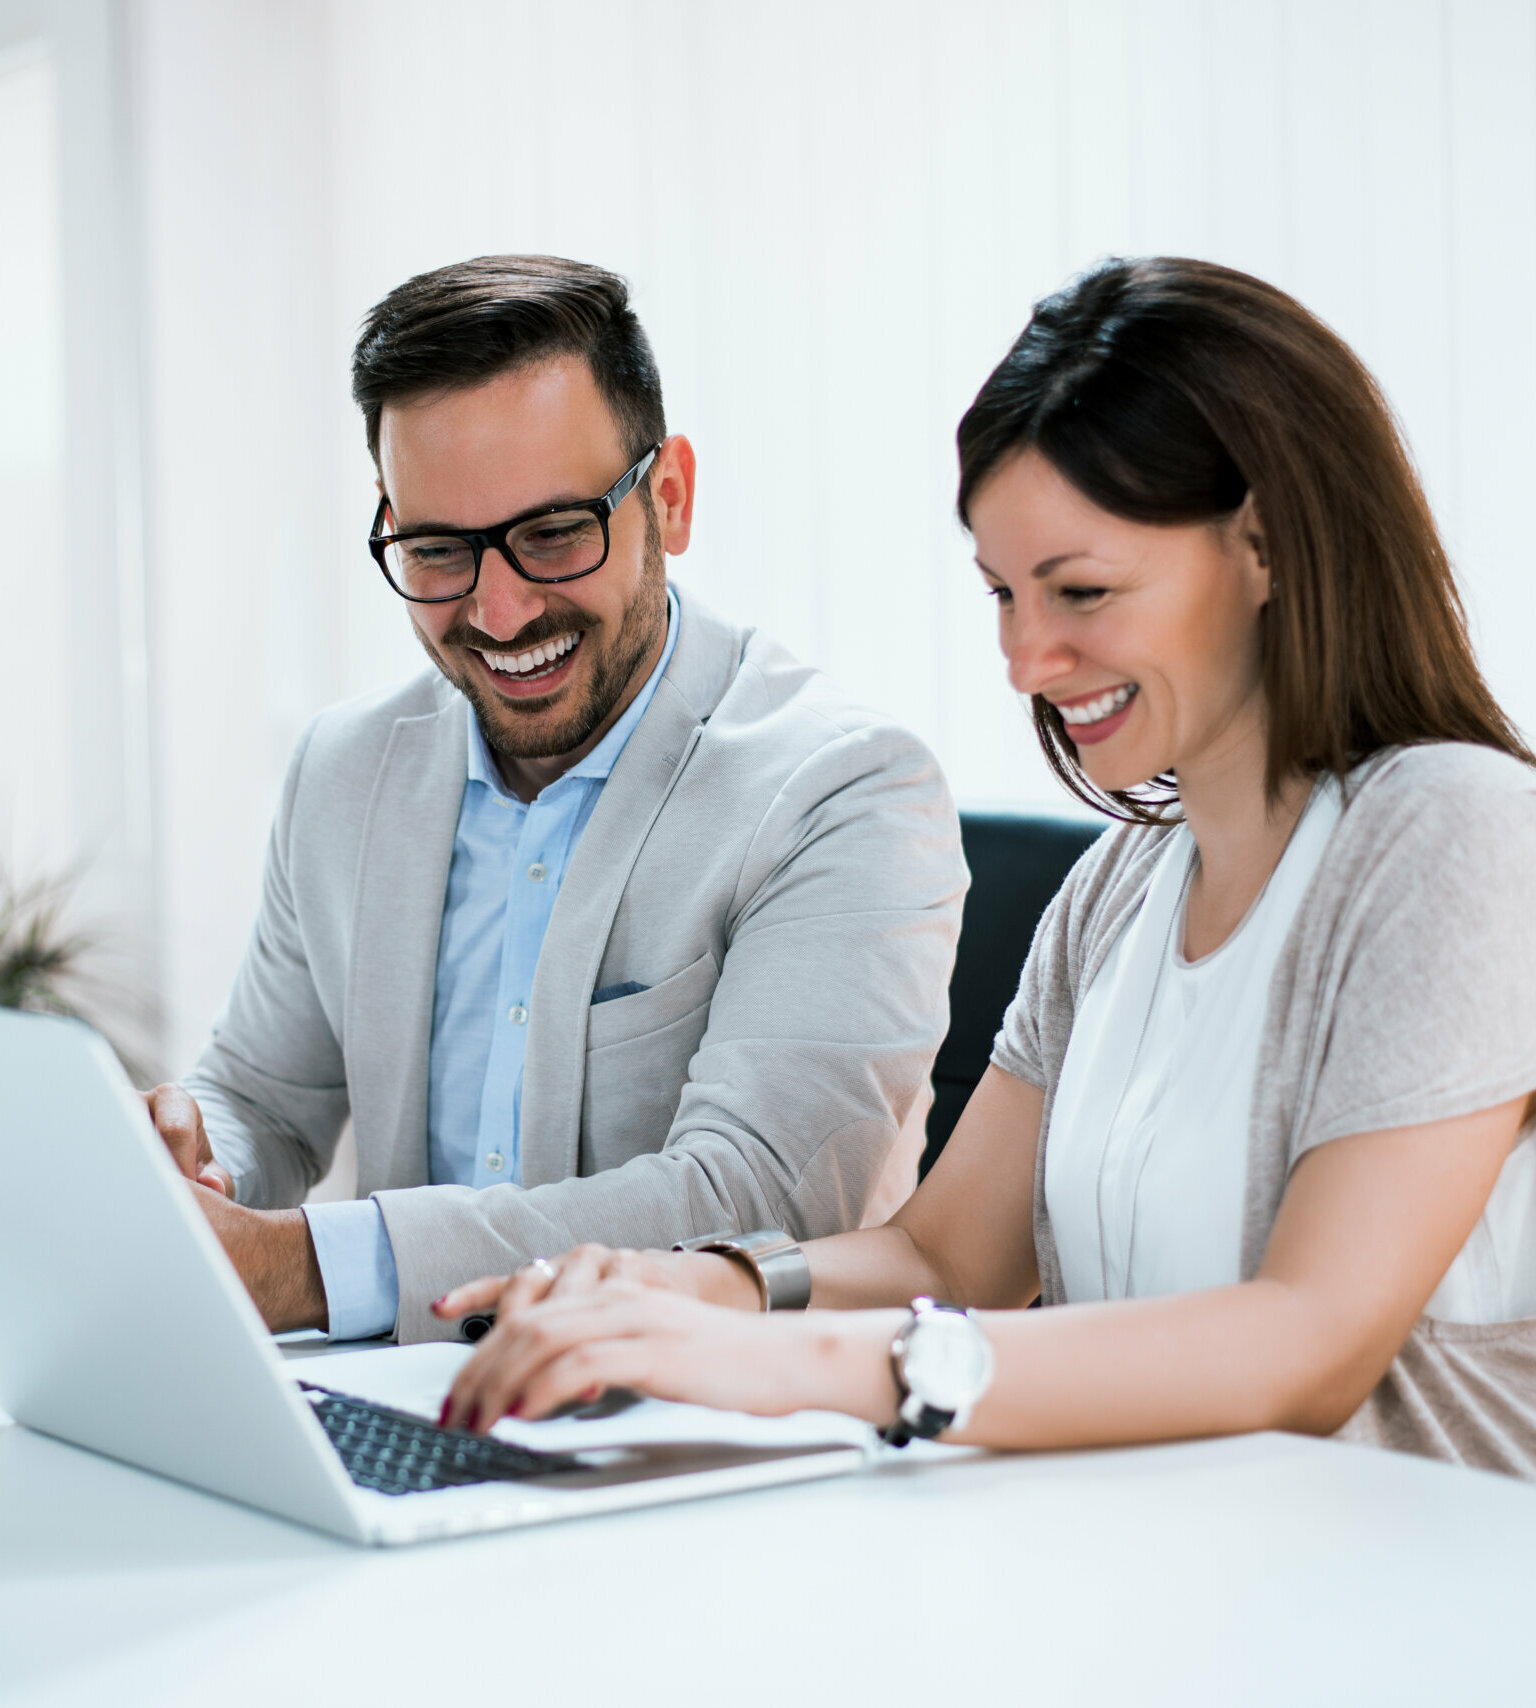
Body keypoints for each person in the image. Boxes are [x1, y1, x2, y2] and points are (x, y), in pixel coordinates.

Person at [435, 257, 1536, 1479]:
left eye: (1081, 590)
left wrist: (792, 1367)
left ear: (1267, 545)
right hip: (1160, 1585)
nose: (1026, 659)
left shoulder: (1460, 832)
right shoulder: (1124, 886)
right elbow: (948, 1261)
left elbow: (1308, 1341)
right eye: (1005, 594)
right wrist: (702, 1287)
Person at [142, 254, 967, 1345]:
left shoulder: (844, 791)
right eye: (438, 549)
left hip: (709, 1438)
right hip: (403, 1402)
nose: (498, 608)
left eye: (553, 533)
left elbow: (756, 1201)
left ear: (666, 499)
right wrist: (199, 1158)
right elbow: (264, 1088)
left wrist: (305, 1266)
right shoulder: (343, 771)